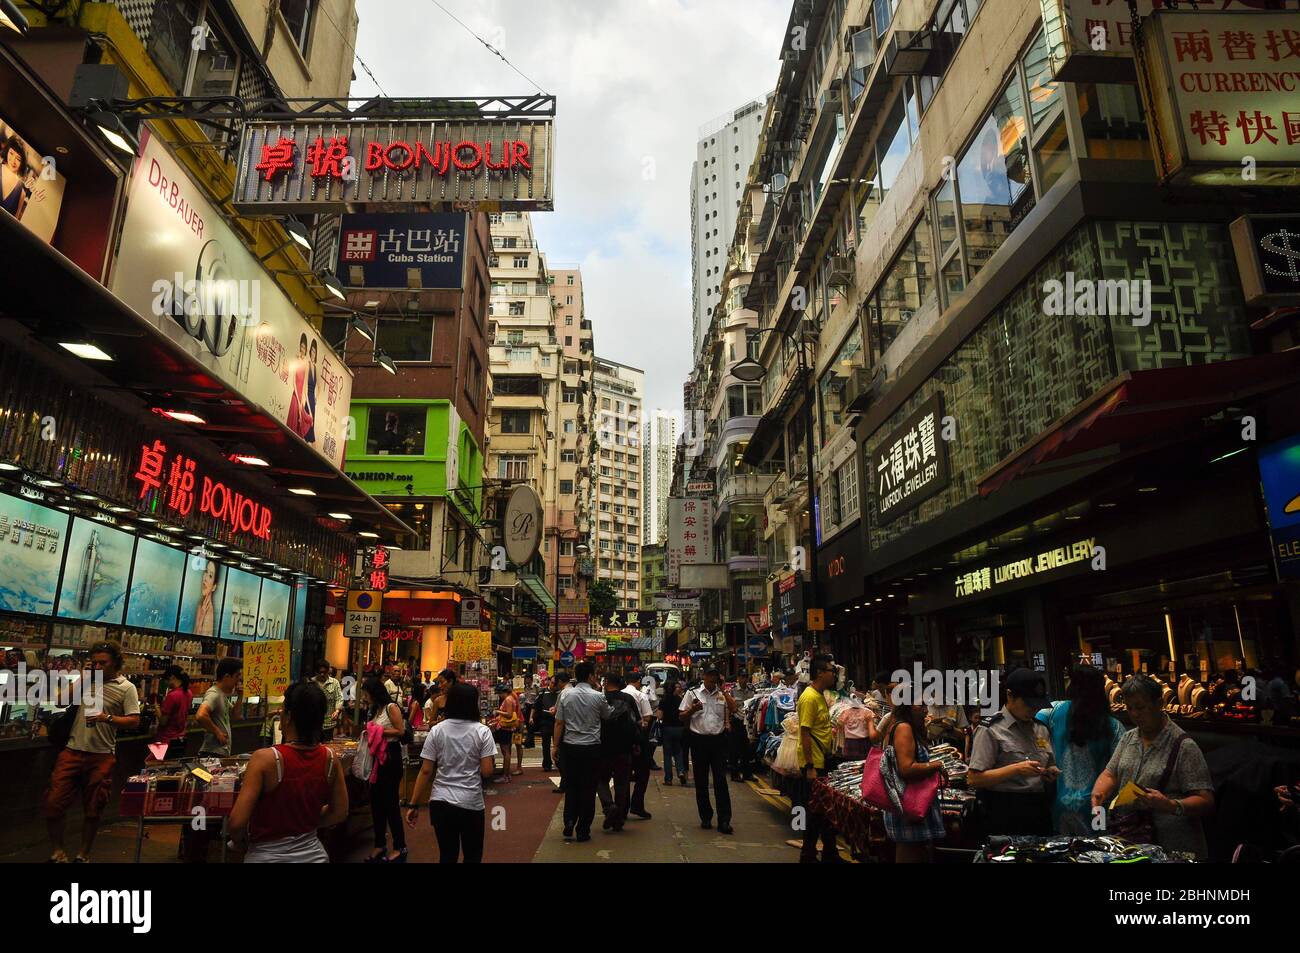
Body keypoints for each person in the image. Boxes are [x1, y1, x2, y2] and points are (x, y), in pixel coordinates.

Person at [1091, 675, 1215, 859]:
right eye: (1129, 708)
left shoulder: (1183, 745)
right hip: (1133, 840)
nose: (1134, 714)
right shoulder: (1129, 738)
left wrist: (1170, 805)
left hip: (1172, 846)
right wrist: (1098, 797)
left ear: (1159, 703)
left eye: (1140, 707)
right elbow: (1110, 774)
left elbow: (1206, 800)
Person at [229, 680, 348, 862]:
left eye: (283, 709)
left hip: (266, 856)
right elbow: (339, 811)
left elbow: (237, 823)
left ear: (289, 716)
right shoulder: (330, 758)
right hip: (314, 855)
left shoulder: (264, 759)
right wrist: (304, 824)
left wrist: (239, 842)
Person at [44, 642, 140, 863]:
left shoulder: (126, 688)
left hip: (101, 754)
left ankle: (83, 854)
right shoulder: (87, 681)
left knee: (94, 808)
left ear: (115, 662)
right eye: (94, 662)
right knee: (53, 802)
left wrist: (107, 718)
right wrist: (83, 677)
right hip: (72, 750)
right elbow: (60, 701)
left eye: (103, 663)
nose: (98, 666)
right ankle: (58, 852)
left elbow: (134, 720)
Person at [406, 682, 496, 863]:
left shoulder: (437, 730)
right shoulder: (483, 732)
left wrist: (413, 804)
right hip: (471, 802)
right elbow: (487, 771)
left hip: (441, 801)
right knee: (472, 855)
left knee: (447, 854)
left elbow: (425, 771)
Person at [968, 667, 1059, 836]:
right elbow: (974, 779)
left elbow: (1050, 763)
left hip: (1038, 808)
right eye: (1028, 704)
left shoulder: (1041, 729)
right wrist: (1016, 769)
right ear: (1010, 695)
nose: (1034, 710)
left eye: (1037, 705)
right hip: (1004, 810)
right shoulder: (990, 729)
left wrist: (1049, 773)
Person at [1037, 666, 1124, 835]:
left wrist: (1045, 752)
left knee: (1065, 853)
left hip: (1060, 804)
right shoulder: (1112, 726)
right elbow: (1120, 768)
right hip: (1098, 806)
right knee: (1098, 853)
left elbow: (1033, 727)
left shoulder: (1052, 711)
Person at [881, 699, 947, 863]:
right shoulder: (904, 728)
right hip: (908, 805)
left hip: (910, 804)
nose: (925, 710)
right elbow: (906, 768)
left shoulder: (909, 727)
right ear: (907, 706)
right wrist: (935, 766)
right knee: (910, 854)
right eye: (920, 705)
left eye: (926, 706)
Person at [554, 662, 613, 842]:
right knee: (588, 789)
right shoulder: (598, 696)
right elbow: (607, 715)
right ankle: (583, 830)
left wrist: (554, 746)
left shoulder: (565, 694)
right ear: (590, 676)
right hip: (591, 748)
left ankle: (569, 821)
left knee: (571, 787)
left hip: (570, 747)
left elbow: (559, 722)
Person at [796, 657, 842, 863]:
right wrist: (809, 766)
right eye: (831, 670)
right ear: (820, 673)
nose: (834, 674)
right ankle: (808, 855)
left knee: (823, 810)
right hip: (814, 763)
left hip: (822, 760)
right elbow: (804, 733)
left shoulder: (820, 695)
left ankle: (829, 853)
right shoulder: (809, 698)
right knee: (815, 812)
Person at [681, 667, 735, 833]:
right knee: (701, 781)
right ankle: (705, 817)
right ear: (704, 677)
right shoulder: (692, 694)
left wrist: (725, 691)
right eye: (710, 677)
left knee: (721, 781)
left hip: (718, 741)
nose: (712, 681)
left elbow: (734, 709)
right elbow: (681, 716)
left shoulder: (722, 695)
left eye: (715, 678)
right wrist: (693, 710)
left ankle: (724, 820)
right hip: (699, 741)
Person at [361, 677, 407, 862]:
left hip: (390, 757)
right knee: (376, 803)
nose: (365, 698)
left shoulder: (391, 707)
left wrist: (376, 731)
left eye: (366, 694)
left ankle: (400, 845)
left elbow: (401, 730)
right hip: (376, 760)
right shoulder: (375, 710)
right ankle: (380, 844)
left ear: (374, 692)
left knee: (390, 804)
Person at [596, 672, 640, 831]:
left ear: (606, 682)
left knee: (601, 780)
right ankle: (619, 817)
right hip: (624, 747)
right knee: (622, 783)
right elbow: (637, 721)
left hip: (603, 746)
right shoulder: (628, 699)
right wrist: (636, 742)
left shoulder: (600, 698)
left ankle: (609, 807)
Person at [621, 674, 654, 819]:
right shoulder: (641, 695)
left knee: (623, 775)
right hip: (638, 739)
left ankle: (623, 808)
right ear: (638, 682)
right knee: (643, 773)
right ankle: (637, 805)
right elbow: (647, 717)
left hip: (621, 741)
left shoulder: (619, 695)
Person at [197, 658, 242, 757]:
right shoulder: (214, 693)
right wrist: (218, 732)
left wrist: (240, 696)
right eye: (237, 676)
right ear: (226, 676)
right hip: (212, 753)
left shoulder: (222, 695)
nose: (239, 680)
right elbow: (200, 715)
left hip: (219, 752)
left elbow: (235, 716)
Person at [155, 666, 192, 760]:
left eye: (166, 680)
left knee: (154, 767)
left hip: (165, 740)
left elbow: (163, 721)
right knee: (173, 768)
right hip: (180, 739)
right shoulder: (188, 693)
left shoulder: (172, 696)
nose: (166, 683)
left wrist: (157, 709)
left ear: (172, 677)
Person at [532, 672, 566, 775]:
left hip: (557, 720)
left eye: (555, 683)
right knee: (545, 744)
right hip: (545, 721)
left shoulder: (561, 693)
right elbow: (535, 706)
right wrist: (531, 717)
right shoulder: (543, 692)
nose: (553, 685)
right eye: (552, 683)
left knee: (558, 743)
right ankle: (547, 763)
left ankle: (558, 762)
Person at [656, 679, 688, 785]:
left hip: (667, 728)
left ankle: (668, 779)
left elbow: (659, 716)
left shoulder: (663, 700)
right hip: (679, 728)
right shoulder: (680, 700)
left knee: (667, 754)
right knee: (678, 752)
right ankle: (681, 772)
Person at [491, 684, 524, 780]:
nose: (499, 696)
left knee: (507, 750)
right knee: (507, 749)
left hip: (509, 727)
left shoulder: (509, 699)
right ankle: (507, 771)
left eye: (499, 694)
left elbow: (509, 714)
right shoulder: (512, 697)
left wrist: (498, 712)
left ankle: (507, 774)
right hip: (511, 725)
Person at [729, 671, 757, 781]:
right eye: (742, 677)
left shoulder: (751, 690)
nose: (744, 679)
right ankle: (734, 774)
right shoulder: (732, 690)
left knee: (747, 749)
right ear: (738, 678)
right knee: (735, 749)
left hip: (748, 722)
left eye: (746, 677)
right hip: (737, 721)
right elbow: (729, 706)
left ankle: (747, 773)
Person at [314, 663, 343, 741]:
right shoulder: (312, 682)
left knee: (328, 743)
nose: (322, 674)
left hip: (329, 721)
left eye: (324, 672)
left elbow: (339, 697)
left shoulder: (334, 682)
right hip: (314, 721)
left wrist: (337, 711)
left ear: (328, 671)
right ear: (316, 672)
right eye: (320, 672)